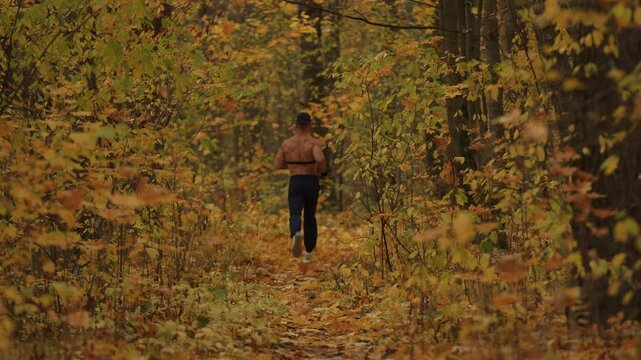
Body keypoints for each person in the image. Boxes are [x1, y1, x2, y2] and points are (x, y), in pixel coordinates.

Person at [275, 112, 327, 263]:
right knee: (310, 216)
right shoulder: (313, 143)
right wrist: (323, 172)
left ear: (296, 125)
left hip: (295, 180)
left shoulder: (287, 144)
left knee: (295, 213)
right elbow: (320, 158)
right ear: (309, 125)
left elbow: (278, 164)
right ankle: (309, 253)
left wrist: (292, 165)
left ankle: (296, 233)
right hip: (311, 181)